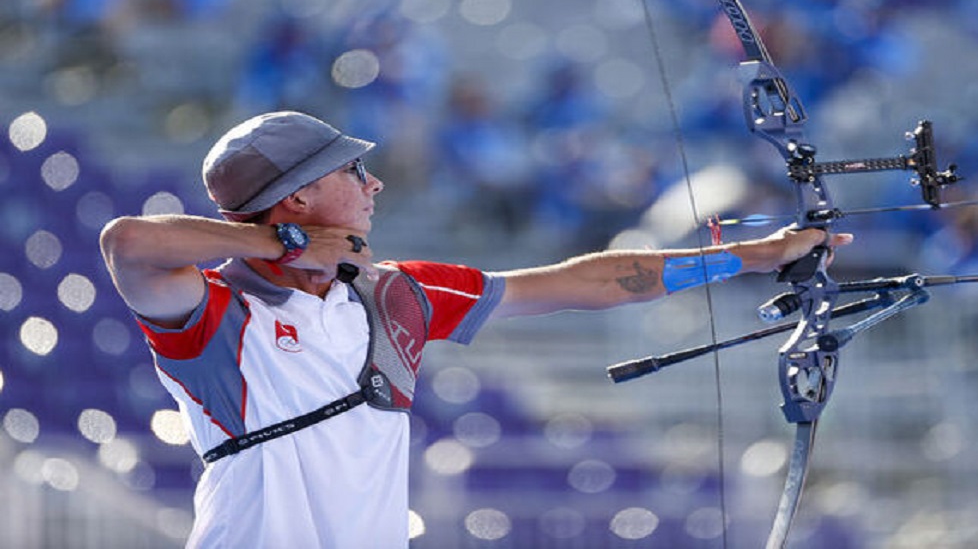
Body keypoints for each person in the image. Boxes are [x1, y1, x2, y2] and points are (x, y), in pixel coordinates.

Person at [99, 111, 853, 548]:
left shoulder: (397, 294)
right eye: (352, 172)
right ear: (295, 200)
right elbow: (127, 243)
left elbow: (585, 282)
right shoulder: (213, 313)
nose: (374, 184)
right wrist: (288, 249)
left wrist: (749, 257)